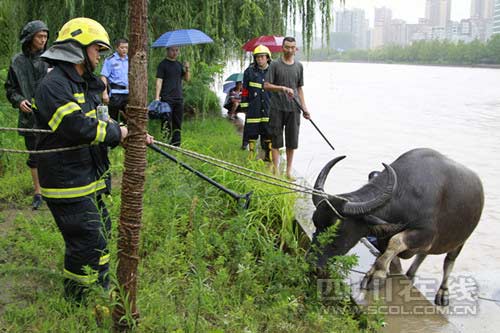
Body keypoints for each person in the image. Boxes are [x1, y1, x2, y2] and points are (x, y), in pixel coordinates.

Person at [33, 17, 130, 302]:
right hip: (67, 182)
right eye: (96, 49)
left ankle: (99, 288)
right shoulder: (53, 85)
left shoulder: (85, 83)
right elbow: (76, 127)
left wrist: (127, 135)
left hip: (88, 177)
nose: (99, 56)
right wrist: (115, 132)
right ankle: (77, 301)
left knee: (99, 237)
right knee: (86, 241)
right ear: (78, 47)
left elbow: (100, 122)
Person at [5, 20, 49, 210]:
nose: (43, 40)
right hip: (28, 116)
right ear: (30, 38)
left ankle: (52, 189)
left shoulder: (50, 58)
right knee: (34, 154)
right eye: (40, 36)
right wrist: (19, 100)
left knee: (52, 152)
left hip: (49, 113)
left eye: (46, 36)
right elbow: (10, 88)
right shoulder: (17, 62)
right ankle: (38, 192)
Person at [264, 36, 310, 179]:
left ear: (296, 49)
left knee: (292, 141)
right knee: (276, 140)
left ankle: (289, 171)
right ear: (282, 48)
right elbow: (266, 85)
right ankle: (276, 171)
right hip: (277, 108)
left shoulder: (299, 66)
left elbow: (299, 89)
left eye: (292, 47)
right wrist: (282, 88)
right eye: (287, 47)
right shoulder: (275, 65)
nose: (290, 50)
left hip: (294, 109)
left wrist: (305, 108)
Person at [241, 45, 272, 160]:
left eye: (262, 57)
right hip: (253, 106)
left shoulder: (273, 71)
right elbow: (244, 90)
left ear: (268, 58)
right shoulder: (249, 72)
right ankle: (251, 154)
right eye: (257, 57)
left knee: (268, 131)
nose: (260, 59)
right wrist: (244, 105)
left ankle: (268, 155)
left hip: (268, 106)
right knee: (252, 131)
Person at [155, 46, 190, 146]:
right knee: (166, 121)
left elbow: (187, 79)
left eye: (176, 50)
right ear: (167, 51)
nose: (175, 52)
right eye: (172, 50)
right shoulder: (163, 65)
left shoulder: (179, 64)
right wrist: (157, 97)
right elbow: (159, 81)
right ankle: (165, 142)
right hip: (166, 98)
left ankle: (176, 144)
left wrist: (187, 68)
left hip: (178, 97)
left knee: (178, 122)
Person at [100, 38, 129, 121]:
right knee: (113, 119)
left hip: (127, 93)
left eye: (126, 47)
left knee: (128, 119)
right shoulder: (110, 60)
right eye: (122, 47)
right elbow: (104, 76)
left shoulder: (130, 60)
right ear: (117, 48)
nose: (124, 50)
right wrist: (104, 93)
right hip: (115, 93)